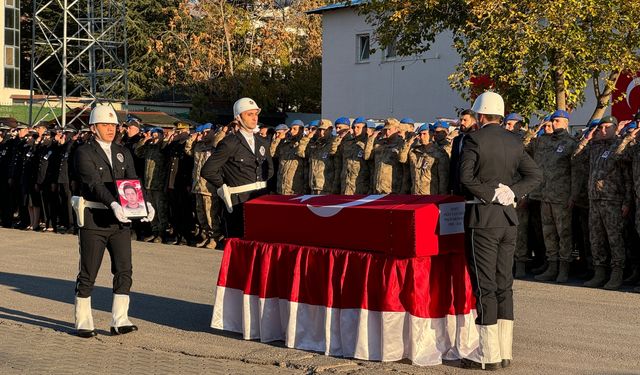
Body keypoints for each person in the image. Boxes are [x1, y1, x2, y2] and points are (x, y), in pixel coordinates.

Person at [459, 91, 542, 370]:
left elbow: (465, 178)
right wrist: (513, 192)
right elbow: (535, 175)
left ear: (480, 116)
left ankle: (488, 355)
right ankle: (504, 352)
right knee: (504, 284)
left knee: (485, 286)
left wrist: (490, 194)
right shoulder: (514, 140)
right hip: (508, 220)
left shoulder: (474, 138)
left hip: (483, 218)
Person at [72, 104, 154, 338]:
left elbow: (132, 180)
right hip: (94, 220)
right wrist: (114, 204)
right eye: (105, 125)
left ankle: (120, 319)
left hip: (121, 222)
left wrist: (144, 204)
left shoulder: (122, 151)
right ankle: (83, 320)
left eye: (113, 125)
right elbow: (93, 183)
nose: (110, 129)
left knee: (124, 269)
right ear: (93, 128)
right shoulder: (84, 152)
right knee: (89, 271)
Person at [573, 116, 632, 290]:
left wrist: (627, 202)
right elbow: (576, 159)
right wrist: (588, 138)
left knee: (614, 239)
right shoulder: (595, 147)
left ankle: (617, 273)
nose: (603, 131)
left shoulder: (621, 146)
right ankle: (599, 272)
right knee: (596, 238)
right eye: (601, 128)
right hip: (595, 200)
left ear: (615, 128)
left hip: (613, 200)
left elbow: (628, 178)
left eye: (607, 127)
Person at [200, 98, 273, 238]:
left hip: (260, 199)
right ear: (238, 117)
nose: (254, 118)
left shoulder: (262, 142)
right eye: (249, 114)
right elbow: (208, 170)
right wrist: (223, 187)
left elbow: (269, 170)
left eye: (255, 114)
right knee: (239, 244)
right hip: (239, 201)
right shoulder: (230, 143)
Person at [532, 110, 578, 283]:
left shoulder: (571, 143)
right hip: (545, 195)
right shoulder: (544, 142)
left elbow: (576, 171)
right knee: (548, 233)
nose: (554, 123)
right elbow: (527, 144)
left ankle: (564, 268)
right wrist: (539, 127)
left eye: (557, 121)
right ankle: (552, 266)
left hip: (561, 196)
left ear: (566, 122)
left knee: (564, 233)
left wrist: (573, 195)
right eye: (552, 121)